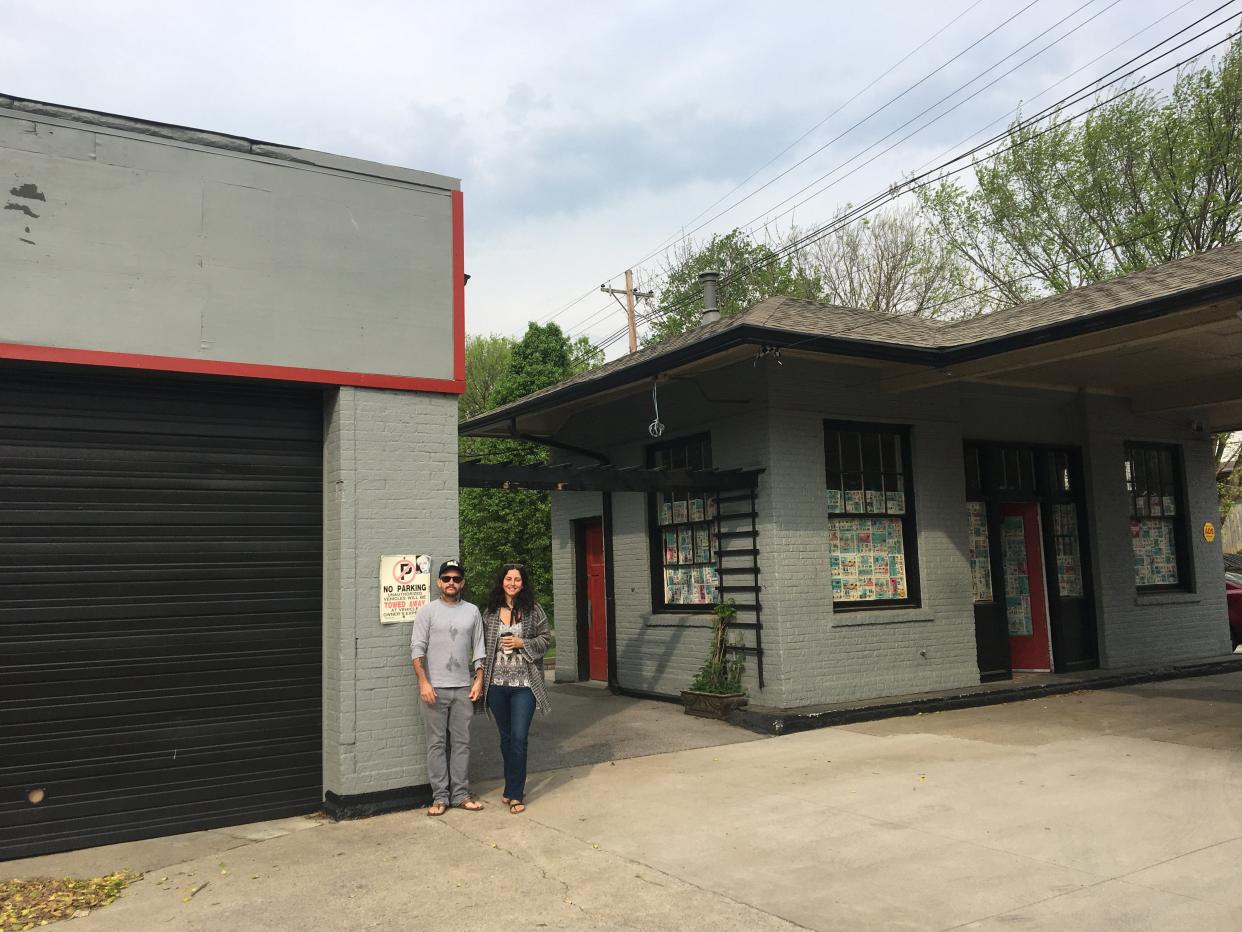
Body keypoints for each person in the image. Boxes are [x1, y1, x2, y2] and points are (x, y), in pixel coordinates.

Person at [411, 559, 485, 816]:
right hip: (434, 690)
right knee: (436, 744)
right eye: (446, 578)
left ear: (462, 583)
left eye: (456, 578)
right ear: (438, 582)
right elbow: (417, 650)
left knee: (463, 743)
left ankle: (461, 795)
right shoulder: (427, 612)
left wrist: (479, 679)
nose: (451, 582)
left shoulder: (472, 611)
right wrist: (423, 682)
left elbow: (479, 649)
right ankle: (440, 797)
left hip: (464, 688)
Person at [481, 562, 550, 814]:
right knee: (506, 738)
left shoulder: (533, 610)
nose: (512, 583)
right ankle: (511, 786)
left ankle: (516, 793)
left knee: (519, 738)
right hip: (497, 685)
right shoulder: (489, 612)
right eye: (509, 579)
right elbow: (479, 646)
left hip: (524, 685)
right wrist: (479, 677)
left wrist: (522, 642)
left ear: (523, 583)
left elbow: (545, 639)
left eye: (517, 580)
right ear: (502, 582)